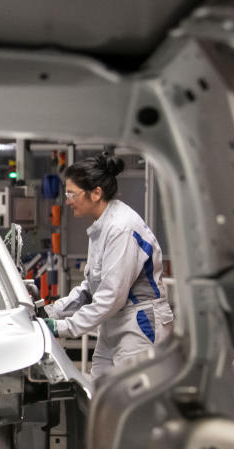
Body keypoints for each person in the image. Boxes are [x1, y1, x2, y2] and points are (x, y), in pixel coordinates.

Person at [44, 153, 173, 381]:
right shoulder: (102, 226)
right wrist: (51, 312)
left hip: (139, 323)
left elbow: (111, 296)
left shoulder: (120, 228)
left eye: (72, 194)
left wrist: (62, 327)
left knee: (132, 400)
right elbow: (90, 289)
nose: (67, 200)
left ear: (96, 193)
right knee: (101, 392)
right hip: (115, 322)